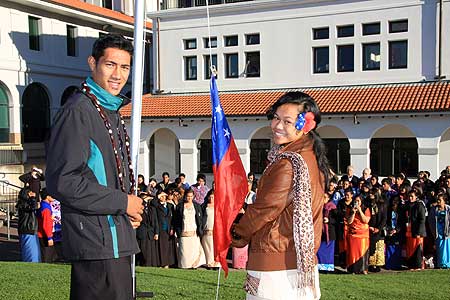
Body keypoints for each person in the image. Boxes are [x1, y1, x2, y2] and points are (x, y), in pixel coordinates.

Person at [45, 34, 144, 300]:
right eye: (110, 64)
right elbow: (63, 181)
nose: (118, 74)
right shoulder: (78, 111)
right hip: (96, 243)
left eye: (125, 67)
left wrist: (128, 211)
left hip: (113, 239)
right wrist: (123, 203)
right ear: (92, 63)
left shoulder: (109, 110)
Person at [231, 92, 330, 300]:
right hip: (299, 263)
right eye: (276, 118)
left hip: (275, 266)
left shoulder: (289, 163)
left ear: (305, 125)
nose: (277, 125)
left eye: (287, 121)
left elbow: (264, 210)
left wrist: (234, 234)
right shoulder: (310, 157)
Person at [174, 188, 206, 269]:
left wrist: (200, 229)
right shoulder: (180, 206)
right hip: (184, 231)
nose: (189, 198)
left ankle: (194, 266)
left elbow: (200, 219)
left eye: (191, 196)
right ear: (185, 196)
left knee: (194, 251)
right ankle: (185, 266)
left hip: (194, 232)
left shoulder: (197, 206)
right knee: (184, 251)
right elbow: (176, 219)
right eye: (188, 196)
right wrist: (177, 230)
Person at [346, 194, 371, 274]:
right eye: (355, 201)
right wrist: (353, 213)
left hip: (363, 234)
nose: (356, 202)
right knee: (353, 253)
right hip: (353, 234)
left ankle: (363, 269)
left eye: (358, 201)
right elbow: (349, 221)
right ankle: (353, 269)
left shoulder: (366, 209)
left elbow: (365, 220)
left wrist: (360, 210)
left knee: (363, 253)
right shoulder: (350, 209)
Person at [16, 187, 40, 262]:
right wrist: (33, 197)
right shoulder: (23, 204)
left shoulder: (25, 203)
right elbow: (34, 206)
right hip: (27, 229)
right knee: (30, 253)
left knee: (34, 252)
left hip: (30, 230)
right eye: (30, 193)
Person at [404, 190, 427, 270]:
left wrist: (419, 232)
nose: (410, 198)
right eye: (409, 196)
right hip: (410, 231)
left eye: (412, 196)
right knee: (410, 248)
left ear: (416, 196)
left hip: (417, 231)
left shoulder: (419, 205)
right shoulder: (409, 205)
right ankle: (411, 265)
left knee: (417, 248)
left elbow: (422, 219)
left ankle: (418, 265)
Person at [154, 191, 177, 268]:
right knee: (162, 247)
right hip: (161, 228)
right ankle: (163, 263)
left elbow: (173, 218)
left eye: (164, 196)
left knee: (169, 247)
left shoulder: (170, 205)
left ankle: (169, 263)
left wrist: (172, 228)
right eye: (161, 196)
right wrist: (158, 196)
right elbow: (152, 203)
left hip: (169, 228)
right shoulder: (157, 206)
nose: (163, 198)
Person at [136, 194, 159, 267]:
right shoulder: (138, 208)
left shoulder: (152, 209)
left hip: (150, 233)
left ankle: (149, 264)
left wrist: (156, 233)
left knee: (150, 250)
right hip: (141, 232)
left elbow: (155, 221)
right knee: (142, 249)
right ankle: (141, 263)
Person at [428, 193, 450, 268]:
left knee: (447, 248)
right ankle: (441, 263)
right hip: (438, 232)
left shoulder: (448, 209)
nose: (438, 202)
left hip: (447, 232)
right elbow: (430, 221)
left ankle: (447, 264)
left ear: (444, 201)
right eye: (437, 200)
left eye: (440, 200)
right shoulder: (434, 210)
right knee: (440, 248)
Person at [367, 188, 386, 272]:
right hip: (370, 228)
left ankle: (378, 265)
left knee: (378, 248)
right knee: (371, 247)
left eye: (372, 193)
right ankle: (371, 264)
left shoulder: (382, 204)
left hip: (379, 229)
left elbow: (384, 218)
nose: (370, 195)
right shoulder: (368, 204)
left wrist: (379, 228)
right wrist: (369, 226)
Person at [317, 193, 337, 272]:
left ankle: (328, 269)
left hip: (330, 233)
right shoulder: (319, 207)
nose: (323, 199)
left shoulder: (333, 208)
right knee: (320, 251)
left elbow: (337, 219)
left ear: (328, 198)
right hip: (321, 232)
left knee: (328, 252)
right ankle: (320, 267)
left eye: (325, 197)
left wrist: (329, 221)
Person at [201, 190, 220, 269]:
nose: (211, 199)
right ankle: (209, 263)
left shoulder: (218, 206)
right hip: (207, 229)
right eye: (210, 197)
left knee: (215, 247)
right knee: (208, 247)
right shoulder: (204, 206)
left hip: (215, 229)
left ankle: (216, 263)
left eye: (213, 197)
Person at [37, 189, 57, 263]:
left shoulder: (43, 205)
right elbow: (46, 224)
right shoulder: (46, 209)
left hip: (42, 234)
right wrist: (49, 238)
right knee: (47, 256)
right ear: (47, 197)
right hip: (44, 235)